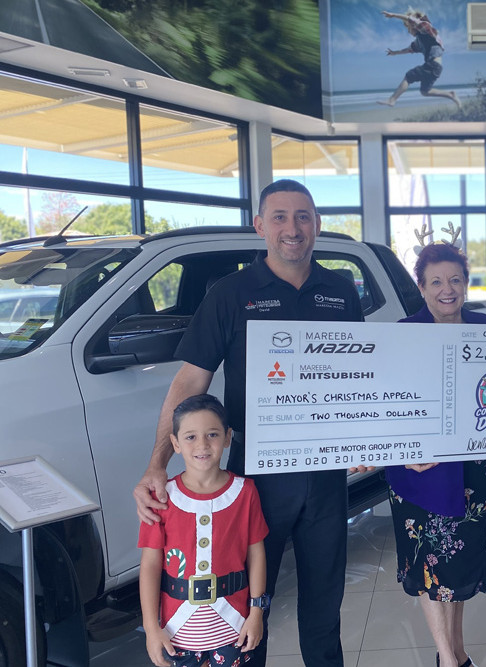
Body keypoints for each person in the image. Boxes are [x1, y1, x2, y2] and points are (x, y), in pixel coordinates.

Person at [133, 179, 368, 667]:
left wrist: (376, 438)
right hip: (257, 483)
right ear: (259, 225)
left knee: (324, 612)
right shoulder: (231, 294)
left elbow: (360, 376)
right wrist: (157, 462)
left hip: (326, 479)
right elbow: (190, 381)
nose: (292, 228)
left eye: (303, 216)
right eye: (279, 217)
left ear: (318, 225)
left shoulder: (341, 292)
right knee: (246, 611)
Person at [384, 242, 486, 667]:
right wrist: (400, 449)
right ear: (421, 288)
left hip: (476, 470)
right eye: (436, 282)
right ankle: (449, 658)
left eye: (455, 280)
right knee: (429, 565)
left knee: (458, 568)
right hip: (418, 469)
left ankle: (453, 652)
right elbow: (385, 402)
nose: (447, 290)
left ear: (466, 283)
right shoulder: (402, 334)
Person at [139, 394, 269, 667]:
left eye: (212, 434)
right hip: (177, 633)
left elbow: (255, 554)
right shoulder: (161, 498)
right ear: (175, 443)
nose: (202, 445)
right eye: (190, 437)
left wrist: (257, 612)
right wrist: (151, 629)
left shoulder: (245, 492)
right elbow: (151, 564)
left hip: (234, 628)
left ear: (227, 437)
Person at [378, 9, 460, 108]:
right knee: (425, 91)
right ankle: (450, 94)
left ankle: (392, 100)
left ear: (412, 26)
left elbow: (415, 21)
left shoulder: (426, 29)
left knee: (409, 76)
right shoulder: (419, 41)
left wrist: (394, 15)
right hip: (435, 68)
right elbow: (409, 49)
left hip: (432, 65)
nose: (408, 32)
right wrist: (395, 53)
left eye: (408, 28)